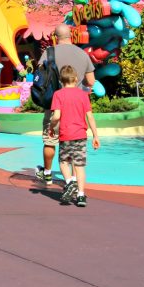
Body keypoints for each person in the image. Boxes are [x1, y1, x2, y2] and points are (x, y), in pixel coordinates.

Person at [35, 23, 96, 186]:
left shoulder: (48, 52)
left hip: (54, 104)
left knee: (50, 140)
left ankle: (47, 173)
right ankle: (75, 179)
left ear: (55, 37)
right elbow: (91, 81)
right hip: (76, 108)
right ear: (71, 35)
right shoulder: (82, 53)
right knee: (74, 143)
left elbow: (40, 76)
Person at [49, 65, 100, 207]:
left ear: (61, 80)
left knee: (64, 161)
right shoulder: (83, 95)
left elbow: (56, 116)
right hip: (81, 135)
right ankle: (81, 196)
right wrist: (95, 136)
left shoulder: (58, 95)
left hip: (66, 135)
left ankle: (70, 183)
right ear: (76, 79)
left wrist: (52, 127)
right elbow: (90, 117)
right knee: (79, 165)